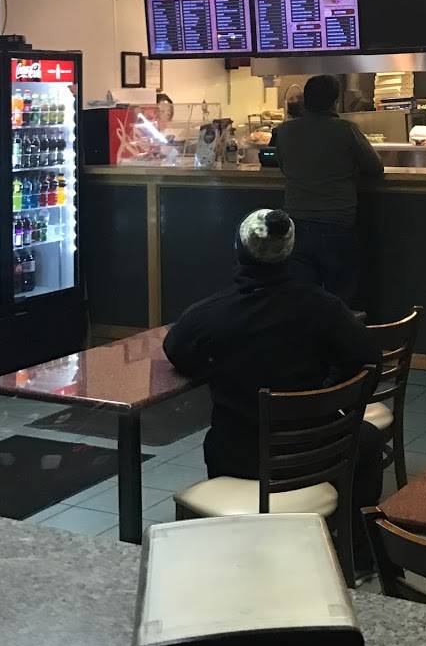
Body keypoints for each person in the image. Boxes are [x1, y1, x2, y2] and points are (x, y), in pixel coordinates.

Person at [163, 207, 385, 575]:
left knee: (218, 439)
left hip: (238, 457)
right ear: (291, 251)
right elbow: (368, 361)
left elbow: (176, 350)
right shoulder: (323, 307)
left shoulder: (210, 314)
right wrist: (330, 397)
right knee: (368, 440)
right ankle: (357, 552)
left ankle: (237, 556)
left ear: (239, 250)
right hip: (317, 454)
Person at [270, 74, 384, 303]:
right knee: (339, 300)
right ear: (335, 101)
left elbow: (283, 166)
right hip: (336, 223)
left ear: (305, 101)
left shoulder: (284, 131)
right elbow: (375, 167)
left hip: (296, 223)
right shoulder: (346, 130)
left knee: (302, 299)